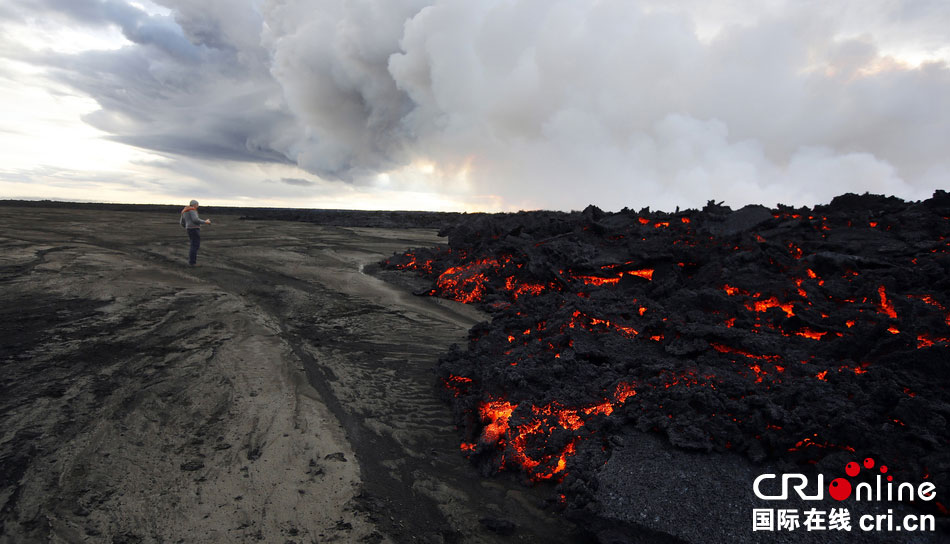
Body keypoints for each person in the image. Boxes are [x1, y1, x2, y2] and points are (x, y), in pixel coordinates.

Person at [180, 199, 211, 266]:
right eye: (197, 205)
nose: (197, 206)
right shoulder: (192, 210)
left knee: (193, 244)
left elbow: (181, 222)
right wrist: (205, 222)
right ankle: (192, 263)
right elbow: (195, 220)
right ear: (194, 204)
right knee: (195, 245)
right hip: (194, 229)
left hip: (189, 229)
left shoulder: (184, 210)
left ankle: (192, 262)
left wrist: (187, 226)